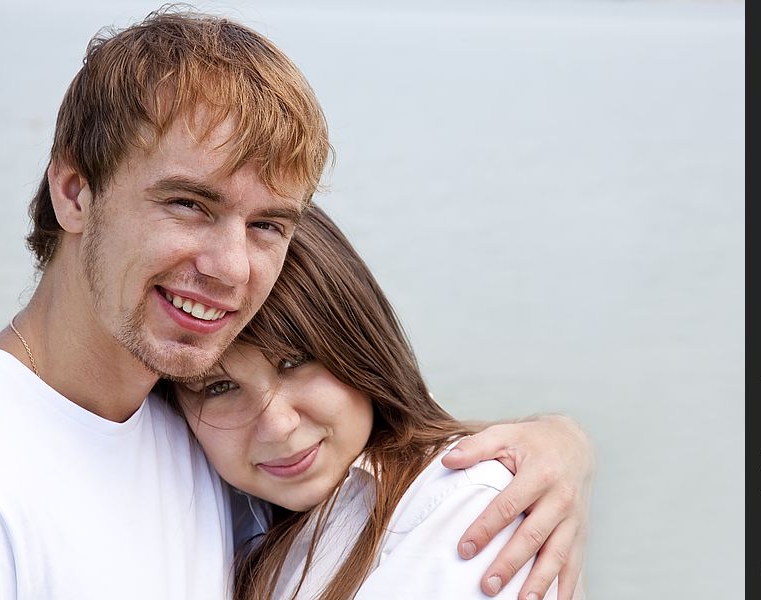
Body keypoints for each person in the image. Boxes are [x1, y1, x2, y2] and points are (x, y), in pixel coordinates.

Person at [0, 8, 592, 600]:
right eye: (189, 204)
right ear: (75, 191)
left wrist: (559, 444)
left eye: (268, 226)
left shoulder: (186, 426)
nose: (230, 269)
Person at [174, 206, 588, 600]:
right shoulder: (224, 513)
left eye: (294, 362)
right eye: (218, 388)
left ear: (359, 345)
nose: (277, 425)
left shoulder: (469, 508)